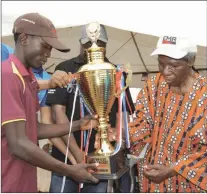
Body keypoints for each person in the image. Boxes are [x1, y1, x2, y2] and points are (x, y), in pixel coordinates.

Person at [1, 13, 99, 193]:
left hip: (24, 183)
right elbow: (18, 143)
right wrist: (69, 170)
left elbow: (33, 130)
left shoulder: (28, 80)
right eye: (45, 46)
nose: (48, 54)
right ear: (24, 38)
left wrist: (77, 125)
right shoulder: (7, 76)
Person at [46, 24, 135, 193]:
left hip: (101, 163)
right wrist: (77, 156)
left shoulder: (116, 72)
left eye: (100, 43)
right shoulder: (64, 69)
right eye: (88, 43)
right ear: (80, 42)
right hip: (66, 161)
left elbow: (123, 114)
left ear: (107, 44)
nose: (93, 47)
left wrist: (118, 146)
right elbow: (58, 114)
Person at [128, 36, 207, 192]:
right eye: (161, 63)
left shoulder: (203, 95)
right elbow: (141, 126)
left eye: (174, 65)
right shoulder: (154, 86)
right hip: (154, 181)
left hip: (189, 185)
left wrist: (173, 169)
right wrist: (122, 136)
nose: (165, 71)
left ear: (191, 61)